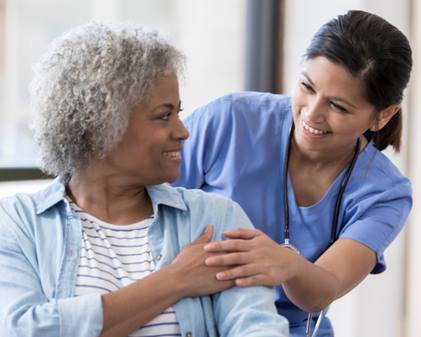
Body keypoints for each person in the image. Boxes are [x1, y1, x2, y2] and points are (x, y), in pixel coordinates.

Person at [0, 22, 288, 337]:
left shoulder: (216, 219)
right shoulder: (18, 224)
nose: (183, 131)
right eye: (164, 115)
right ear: (100, 130)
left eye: (179, 112)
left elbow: (259, 329)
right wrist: (175, 280)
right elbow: (24, 329)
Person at [174, 10, 413, 337]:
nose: (312, 113)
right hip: (189, 318)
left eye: (338, 106)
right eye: (306, 87)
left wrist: (287, 264)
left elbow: (321, 291)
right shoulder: (230, 120)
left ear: (382, 116)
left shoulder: (386, 193)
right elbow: (141, 206)